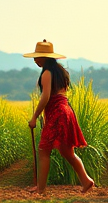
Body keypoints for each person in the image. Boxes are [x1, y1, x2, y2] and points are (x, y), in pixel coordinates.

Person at [23, 39, 94, 194]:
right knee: (67, 151)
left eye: (37, 57)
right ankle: (86, 180)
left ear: (46, 58)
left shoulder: (47, 73)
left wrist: (35, 116)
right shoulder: (59, 71)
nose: (35, 60)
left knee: (43, 151)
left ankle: (40, 189)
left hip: (58, 113)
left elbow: (45, 97)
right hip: (66, 111)